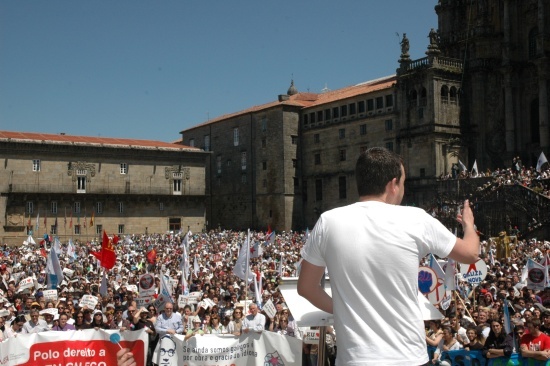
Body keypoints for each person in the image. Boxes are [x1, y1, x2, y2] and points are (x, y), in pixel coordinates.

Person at [298, 147, 480, 365]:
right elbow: (470, 254)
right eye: (403, 183)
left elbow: (306, 288)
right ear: (393, 184)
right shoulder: (415, 218)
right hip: (408, 358)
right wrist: (469, 226)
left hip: (355, 359)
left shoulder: (328, 221)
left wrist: (346, 309)